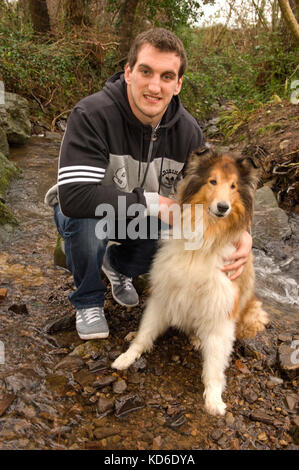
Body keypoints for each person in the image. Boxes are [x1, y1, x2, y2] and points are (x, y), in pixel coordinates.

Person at [45, 28, 252, 340]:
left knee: (182, 230)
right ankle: (87, 300)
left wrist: (244, 235)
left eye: (167, 76)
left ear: (178, 84)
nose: (155, 86)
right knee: (86, 225)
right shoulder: (91, 114)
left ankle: (118, 267)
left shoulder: (189, 132)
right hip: (90, 212)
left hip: (141, 220)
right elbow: (74, 196)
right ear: (129, 73)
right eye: (146, 71)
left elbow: (219, 188)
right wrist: (153, 202)